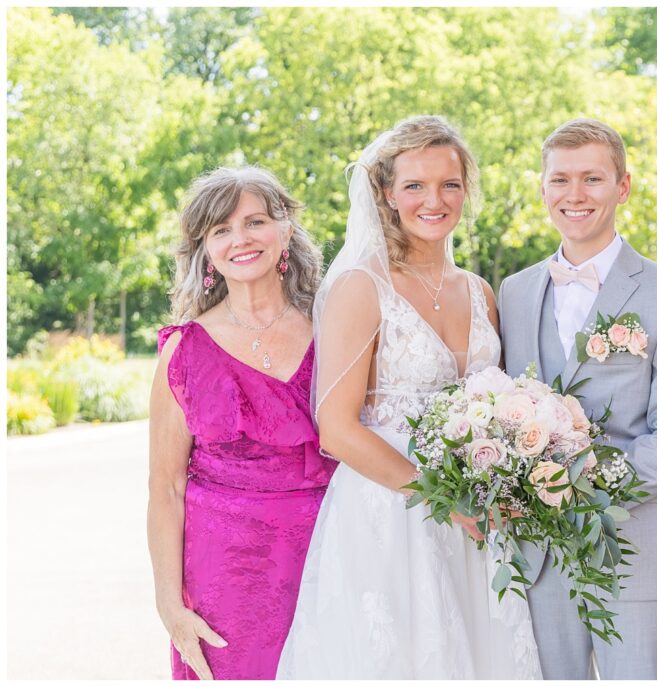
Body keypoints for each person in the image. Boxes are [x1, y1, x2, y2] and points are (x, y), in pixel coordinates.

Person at [277, 116, 541, 679]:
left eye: (449, 183)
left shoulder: (480, 292)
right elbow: (337, 429)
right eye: (415, 186)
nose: (434, 200)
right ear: (388, 194)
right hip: (390, 511)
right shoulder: (359, 286)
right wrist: (445, 498)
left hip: (478, 512)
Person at [499, 118, 657, 679]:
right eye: (560, 180)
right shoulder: (515, 293)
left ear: (623, 187)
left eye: (592, 178)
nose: (575, 195)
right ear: (542, 188)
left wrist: (576, 481)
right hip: (538, 560)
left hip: (636, 554)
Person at [147, 167, 336, 680]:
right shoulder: (184, 351)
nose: (240, 239)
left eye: (255, 221)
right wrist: (169, 602)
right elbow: (165, 487)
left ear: (286, 232)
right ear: (206, 250)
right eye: (221, 230)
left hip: (332, 557)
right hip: (224, 583)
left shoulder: (335, 331)